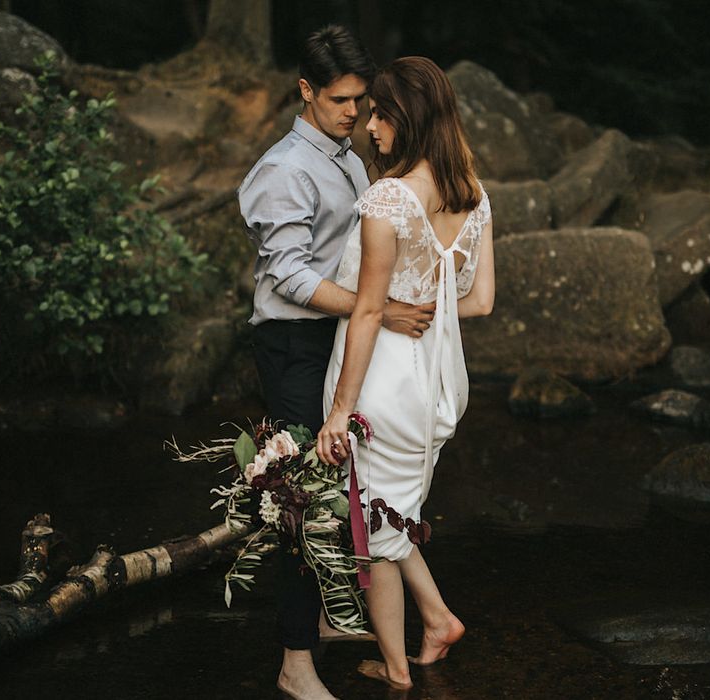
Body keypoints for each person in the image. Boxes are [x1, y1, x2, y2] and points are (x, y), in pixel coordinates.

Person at [238, 27, 436, 700]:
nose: (353, 112)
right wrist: (371, 308)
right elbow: (290, 277)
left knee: (345, 485)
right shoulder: (282, 171)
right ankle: (295, 664)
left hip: (337, 338)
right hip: (293, 345)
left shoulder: (349, 157)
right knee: (302, 499)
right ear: (305, 91)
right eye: (339, 99)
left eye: (361, 100)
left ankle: (326, 616)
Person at [317, 56, 496, 691]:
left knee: (373, 528)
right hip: (439, 383)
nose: (369, 126)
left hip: (384, 382)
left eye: (380, 115)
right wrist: (429, 299)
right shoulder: (473, 199)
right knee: (390, 516)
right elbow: (479, 302)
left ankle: (397, 673)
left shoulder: (387, 198)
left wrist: (339, 411)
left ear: (406, 120)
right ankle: (439, 620)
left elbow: (367, 310)